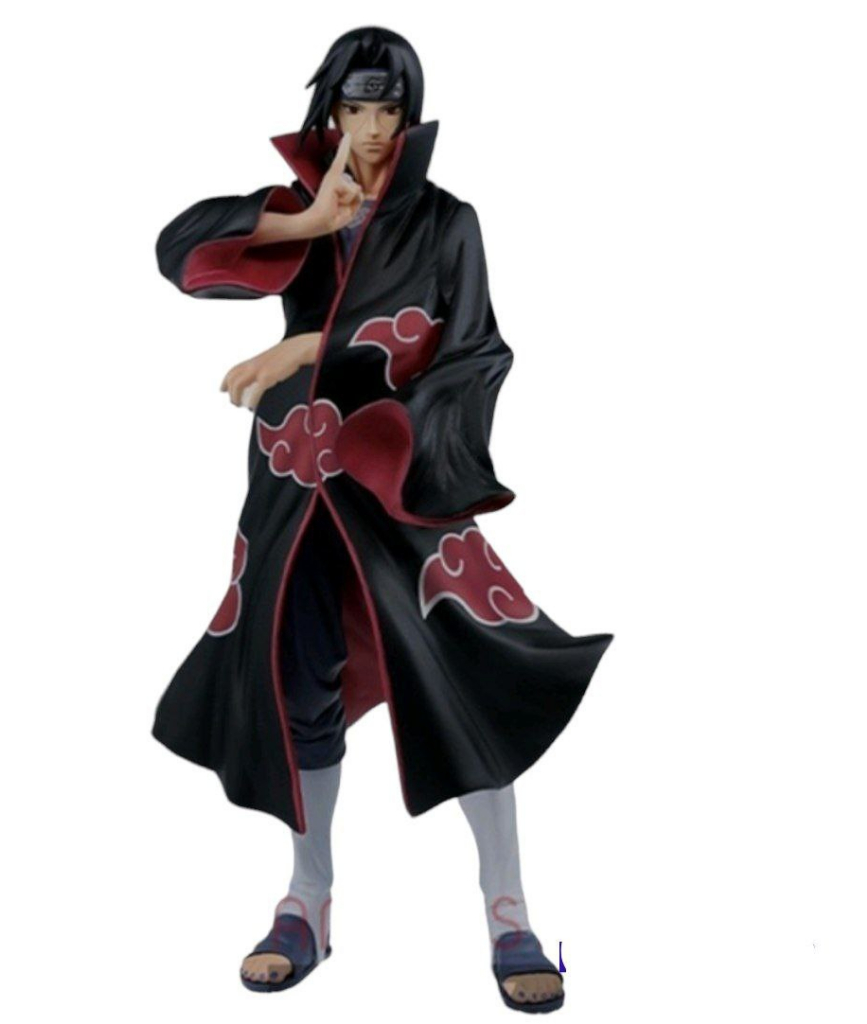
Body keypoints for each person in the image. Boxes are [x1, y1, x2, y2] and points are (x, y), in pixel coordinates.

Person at [152, 26, 613, 1013]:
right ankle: (307, 898)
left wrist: (314, 349)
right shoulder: (302, 210)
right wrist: (305, 221)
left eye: (386, 110)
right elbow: (179, 253)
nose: (368, 130)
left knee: (466, 676)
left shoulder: (447, 222)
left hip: (399, 480)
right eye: (353, 109)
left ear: (410, 118)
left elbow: (472, 349)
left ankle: (508, 908)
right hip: (296, 487)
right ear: (331, 113)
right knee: (294, 684)